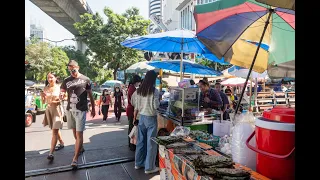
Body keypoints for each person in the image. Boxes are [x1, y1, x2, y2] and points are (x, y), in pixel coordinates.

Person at [60, 60, 96, 169]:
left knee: (79, 134)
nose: (71, 70)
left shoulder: (86, 79)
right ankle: (81, 147)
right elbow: (62, 91)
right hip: (70, 109)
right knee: (75, 132)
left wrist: (93, 108)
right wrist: (61, 95)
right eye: (69, 68)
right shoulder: (66, 80)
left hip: (81, 110)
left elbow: (90, 95)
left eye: (73, 68)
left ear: (78, 67)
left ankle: (75, 158)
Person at [132, 70, 160, 174]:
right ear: (153, 79)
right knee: (151, 143)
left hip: (142, 118)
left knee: (140, 142)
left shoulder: (139, 90)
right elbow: (155, 106)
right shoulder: (154, 91)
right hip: (151, 118)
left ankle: (138, 163)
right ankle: (149, 167)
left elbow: (137, 106)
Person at [41, 72, 65, 161]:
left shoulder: (59, 88)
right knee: (55, 129)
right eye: (48, 78)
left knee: (54, 131)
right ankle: (61, 142)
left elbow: (62, 100)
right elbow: (43, 102)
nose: (49, 79)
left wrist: (53, 102)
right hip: (49, 111)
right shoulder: (46, 88)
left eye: (51, 77)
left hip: (57, 110)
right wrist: (42, 96)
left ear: (55, 78)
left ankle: (51, 153)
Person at [126, 75, 142, 151]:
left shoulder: (131, 87)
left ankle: (131, 145)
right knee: (132, 128)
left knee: (131, 128)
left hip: (130, 109)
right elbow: (134, 102)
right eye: (139, 82)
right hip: (131, 110)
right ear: (137, 81)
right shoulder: (132, 89)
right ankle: (132, 145)